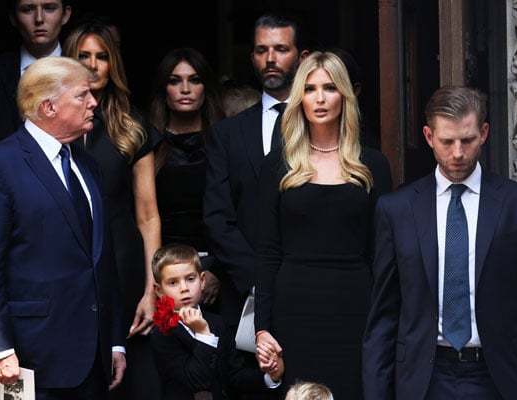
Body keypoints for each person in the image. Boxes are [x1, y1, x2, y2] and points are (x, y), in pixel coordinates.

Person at [362, 85, 517, 399]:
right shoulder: (396, 210)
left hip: (499, 378)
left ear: (483, 133)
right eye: (447, 141)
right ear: (429, 137)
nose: (458, 153)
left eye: (467, 140)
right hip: (425, 378)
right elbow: (384, 318)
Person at [0, 56, 126, 398]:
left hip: (94, 357)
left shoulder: (87, 165)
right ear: (49, 106)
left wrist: (113, 341)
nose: (93, 102)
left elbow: (100, 258)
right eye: (83, 95)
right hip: (28, 356)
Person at [254, 51, 393, 399]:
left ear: (345, 95)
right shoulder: (279, 164)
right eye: (311, 88)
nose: (319, 98)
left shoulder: (373, 163)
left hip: (355, 306)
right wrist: (262, 328)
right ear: (299, 96)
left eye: (329, 88)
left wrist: (385, 321)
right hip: (295, 306)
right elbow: (268, 251)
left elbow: (383, 252)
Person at [63, 19, 162, 400]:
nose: (92, 65)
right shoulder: (51, 123)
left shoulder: (132, 125)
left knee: (127, 375)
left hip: (123, 261)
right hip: (68, 262)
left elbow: (148, 214)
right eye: (82, 56)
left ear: (113, 64)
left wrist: (152, 289)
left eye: (101, 57)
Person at [204, 12, 309, 332]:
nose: (271, 59)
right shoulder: (228, 133)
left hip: (308, 285)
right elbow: (217, 217)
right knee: (245, 379)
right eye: (262, 51)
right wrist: (255, 279)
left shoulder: (322, 126)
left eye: (280, 49)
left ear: (301, 56)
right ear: (251, 57)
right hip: (244, 290)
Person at [149, 243, 284, 400]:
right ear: (159, 291)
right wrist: (203, 334)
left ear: (203, 281)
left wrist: (270, 376)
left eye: (190, 279)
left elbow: (235, 376)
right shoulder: (163, 332)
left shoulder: (217, 323)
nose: (184, 288)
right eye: (173, 282)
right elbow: (196, 380)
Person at [148, 47, 226, 308]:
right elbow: (141, 218)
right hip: (161, 275)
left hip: (216, 270)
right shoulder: (147, 143)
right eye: (174, 81)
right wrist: (156, 280)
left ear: (206, 87)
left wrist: (217, 271)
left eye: (194, 80)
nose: (185, 89)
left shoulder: (226, 141)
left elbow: (240, 213)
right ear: (163, 89)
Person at [0, 0, 72, 151]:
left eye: (49, 8)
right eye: (28, 10)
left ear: (65, 15)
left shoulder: (84, 70)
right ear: (13, 18)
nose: (39, 19)